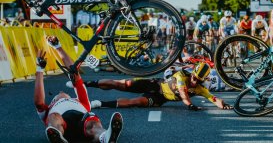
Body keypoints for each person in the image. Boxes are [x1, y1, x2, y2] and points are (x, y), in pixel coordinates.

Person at [34, 36, 123, 143]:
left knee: (92, 122)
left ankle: (104, 137)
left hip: (84, 126)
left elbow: (74, 72)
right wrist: (40, 69)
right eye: (58, 94)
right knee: (53, 117)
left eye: (63, 93)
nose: (61, 92)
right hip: (62, 128)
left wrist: (58, 47)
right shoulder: (49, 109)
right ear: (54, 100)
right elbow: (39, 103)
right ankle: (58, 138)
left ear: (69, 97)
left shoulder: (81, 101)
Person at [85, 62, 233, 110]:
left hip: (160, 98)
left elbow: (213, 98)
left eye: (198, 80)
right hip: (155, 84)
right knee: (122, 84)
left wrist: (224, 104)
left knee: (135, 102)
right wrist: (189, 105)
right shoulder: (182, 75)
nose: (195, 81)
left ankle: (99, 104)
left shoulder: (200, 88)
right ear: (192, 73)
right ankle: (88, 84)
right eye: (194, 77)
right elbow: (183, 93)